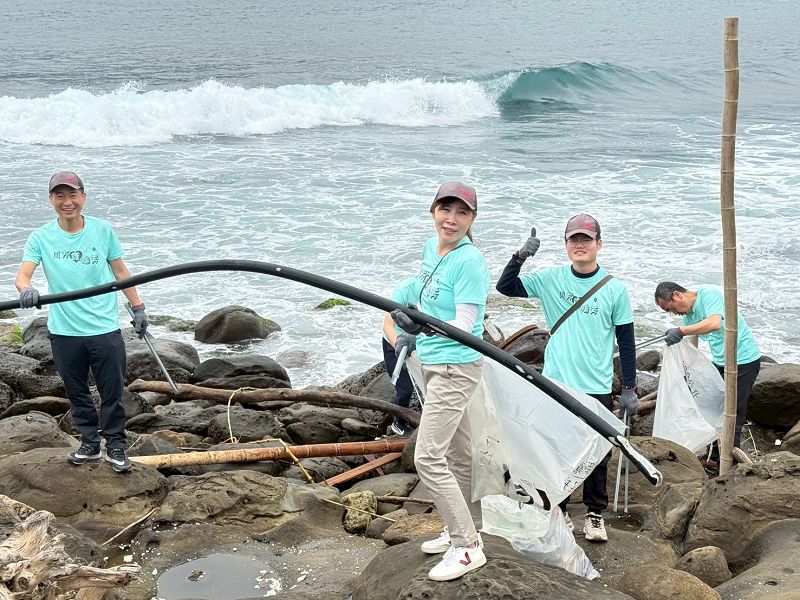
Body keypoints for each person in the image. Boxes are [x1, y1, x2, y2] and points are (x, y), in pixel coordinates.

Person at [496, 214, 637, 542]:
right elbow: (506, 287)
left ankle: (594, 514)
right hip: (556, 383)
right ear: (566, 245)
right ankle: (556, 507)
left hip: (597, 385)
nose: (580, 244)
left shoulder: (615, 290)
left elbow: (627, 342)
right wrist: (520, 256)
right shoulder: (551, 279)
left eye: (586, 239)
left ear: (599, 244)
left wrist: (629, 386)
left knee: (597, 452)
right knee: (552, 448)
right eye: (574, 239)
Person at [15, 171, 148, 473]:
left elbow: (120, 270)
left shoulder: (102, 230)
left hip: (104, 328)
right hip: (64, 331)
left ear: (83, 197)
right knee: (77, 392)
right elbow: (23, 276)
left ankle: (115, 445)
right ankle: (89, 443)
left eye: (72, 194)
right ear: (51, 200)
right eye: (59, 195)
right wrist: (27, 290)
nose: (67, 201)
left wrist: (138, 306)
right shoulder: (41, 237)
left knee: (112, 392)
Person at [391, 181, 490, 581]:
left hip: (455, 365)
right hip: (435, 362)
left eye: (461, 213)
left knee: (428, 456)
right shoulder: (432, 249)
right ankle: (464, 529)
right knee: (459, 453)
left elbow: (466, 323)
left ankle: (467, 548)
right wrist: (405, 317)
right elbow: (421, 290)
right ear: (433, 211)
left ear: (472, 219)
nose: (451, 219)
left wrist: (424, 328)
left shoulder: (470, 261)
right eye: (445, 210)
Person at [654, 282, 761, 463]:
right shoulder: (689, 317)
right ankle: (715, 454)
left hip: (744, 360)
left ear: (677, 295)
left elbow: (714, 323)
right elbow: (690, 346)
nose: (675, 314)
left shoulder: (709, 295)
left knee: (733, 412)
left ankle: (729, 460)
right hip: (720, 362)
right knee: (714, 408)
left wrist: (680, 331)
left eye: (671, 309)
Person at [381, 277, 419, 436]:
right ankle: (399, 422)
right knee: (405, 388)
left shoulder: (442, 289)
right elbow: (388, 325)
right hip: (396, 342)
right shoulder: (405, 289)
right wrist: (398, 345)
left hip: (422, 342)